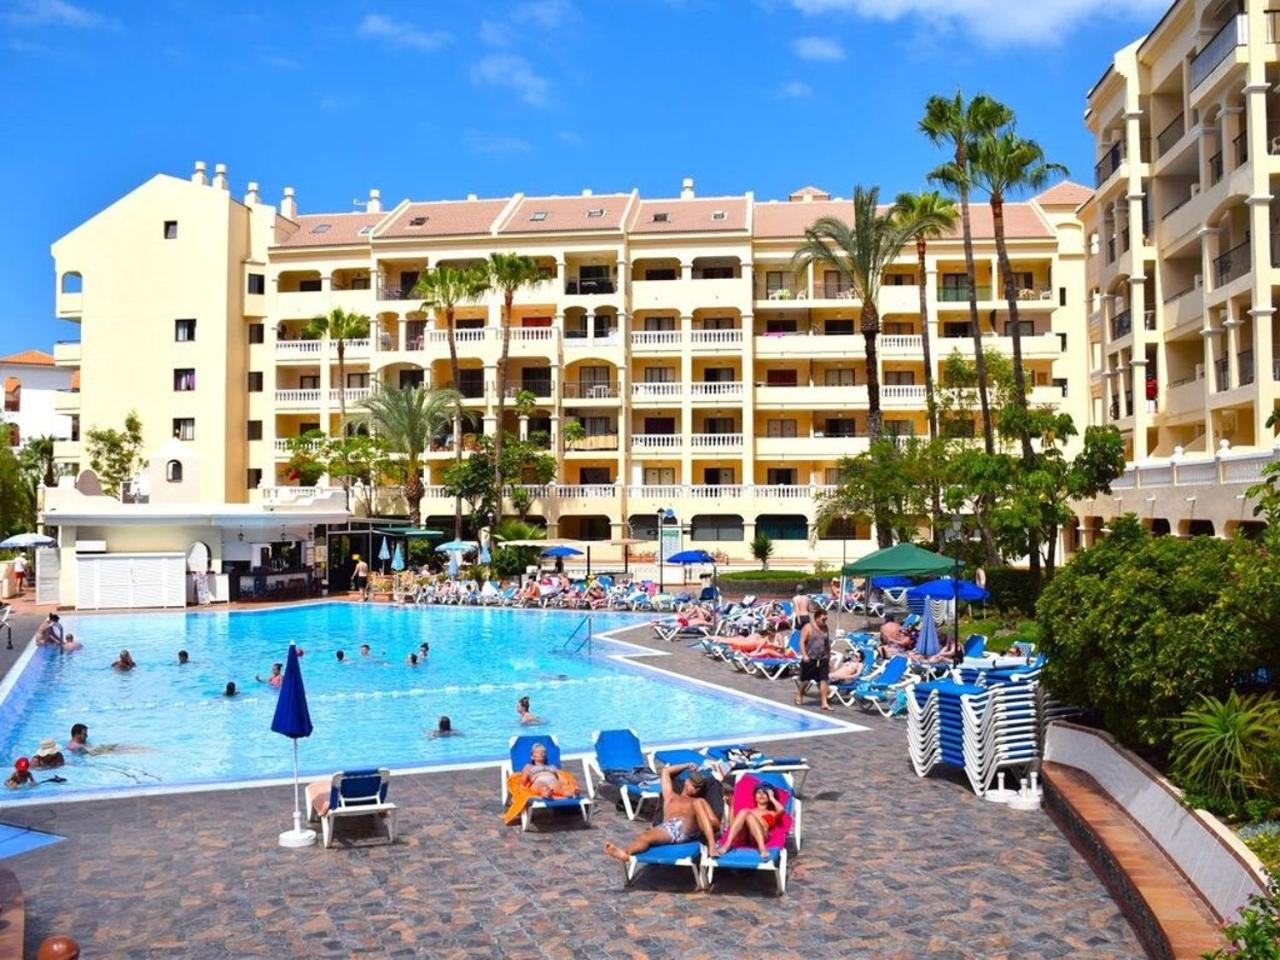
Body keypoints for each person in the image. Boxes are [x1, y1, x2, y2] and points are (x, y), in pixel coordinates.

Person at [604, 762, 721, 864]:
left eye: (699, 788)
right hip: (669, 830)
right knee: (645, 836)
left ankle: (711, 845)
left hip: (687, 830)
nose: (697, 789)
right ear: (686, 782)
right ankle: (625, 854)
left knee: (698, 803)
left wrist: (700, 821)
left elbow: (716, 824)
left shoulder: (699, 801)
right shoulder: (670, 796)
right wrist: (687, 765)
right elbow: (665, 771)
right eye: (694, 786)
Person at [715, 783, 784, 859]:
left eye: (765, 793)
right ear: (755, 797)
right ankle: (726, 845)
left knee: (748, 814)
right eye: (759, 792)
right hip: (745, 837)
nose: (761, 794)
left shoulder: (770, 813)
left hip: (761, 837)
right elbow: (732, 826)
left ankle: (762, 848)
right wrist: (731, 805)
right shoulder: (748, 811)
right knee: (744, 812)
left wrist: (772, 797)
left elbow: (781, 810)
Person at [796, 608, 832, 711]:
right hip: (810, 657)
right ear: (816, 618)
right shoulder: (808, 627)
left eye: (826, 619)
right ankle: (799, 694)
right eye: (823, 619)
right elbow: (802, 641)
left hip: (823, 657)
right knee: (806, 680)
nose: (824, 621)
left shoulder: (825, 628)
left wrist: (829, 655)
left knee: (824, 680)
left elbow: (827, 643)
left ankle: (824, 703)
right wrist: (804, 655)